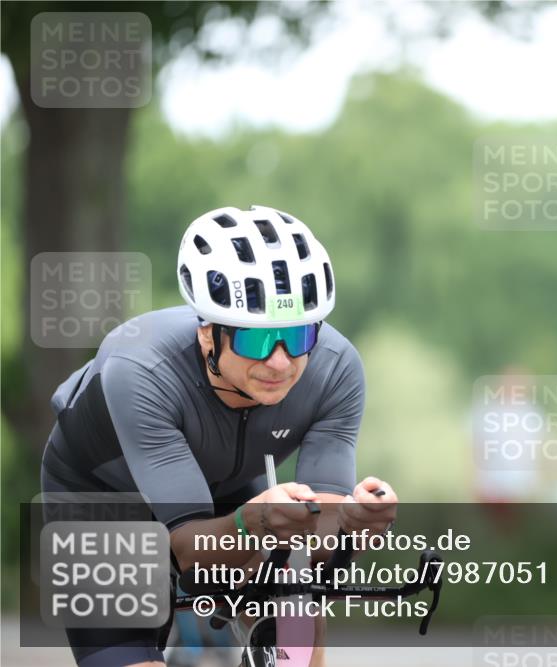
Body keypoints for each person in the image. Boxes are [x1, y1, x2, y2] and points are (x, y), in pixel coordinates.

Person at [40, 205, 397, 667]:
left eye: (298, 334)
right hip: (106, 499)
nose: (281, 362)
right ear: (208, 334)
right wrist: (257, 523)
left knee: (298, 602)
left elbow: (319, 540)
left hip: (225, 489)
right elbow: (190, 550)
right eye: (256, 340)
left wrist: (352, 524)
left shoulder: (335, 368)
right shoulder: (140, 368)